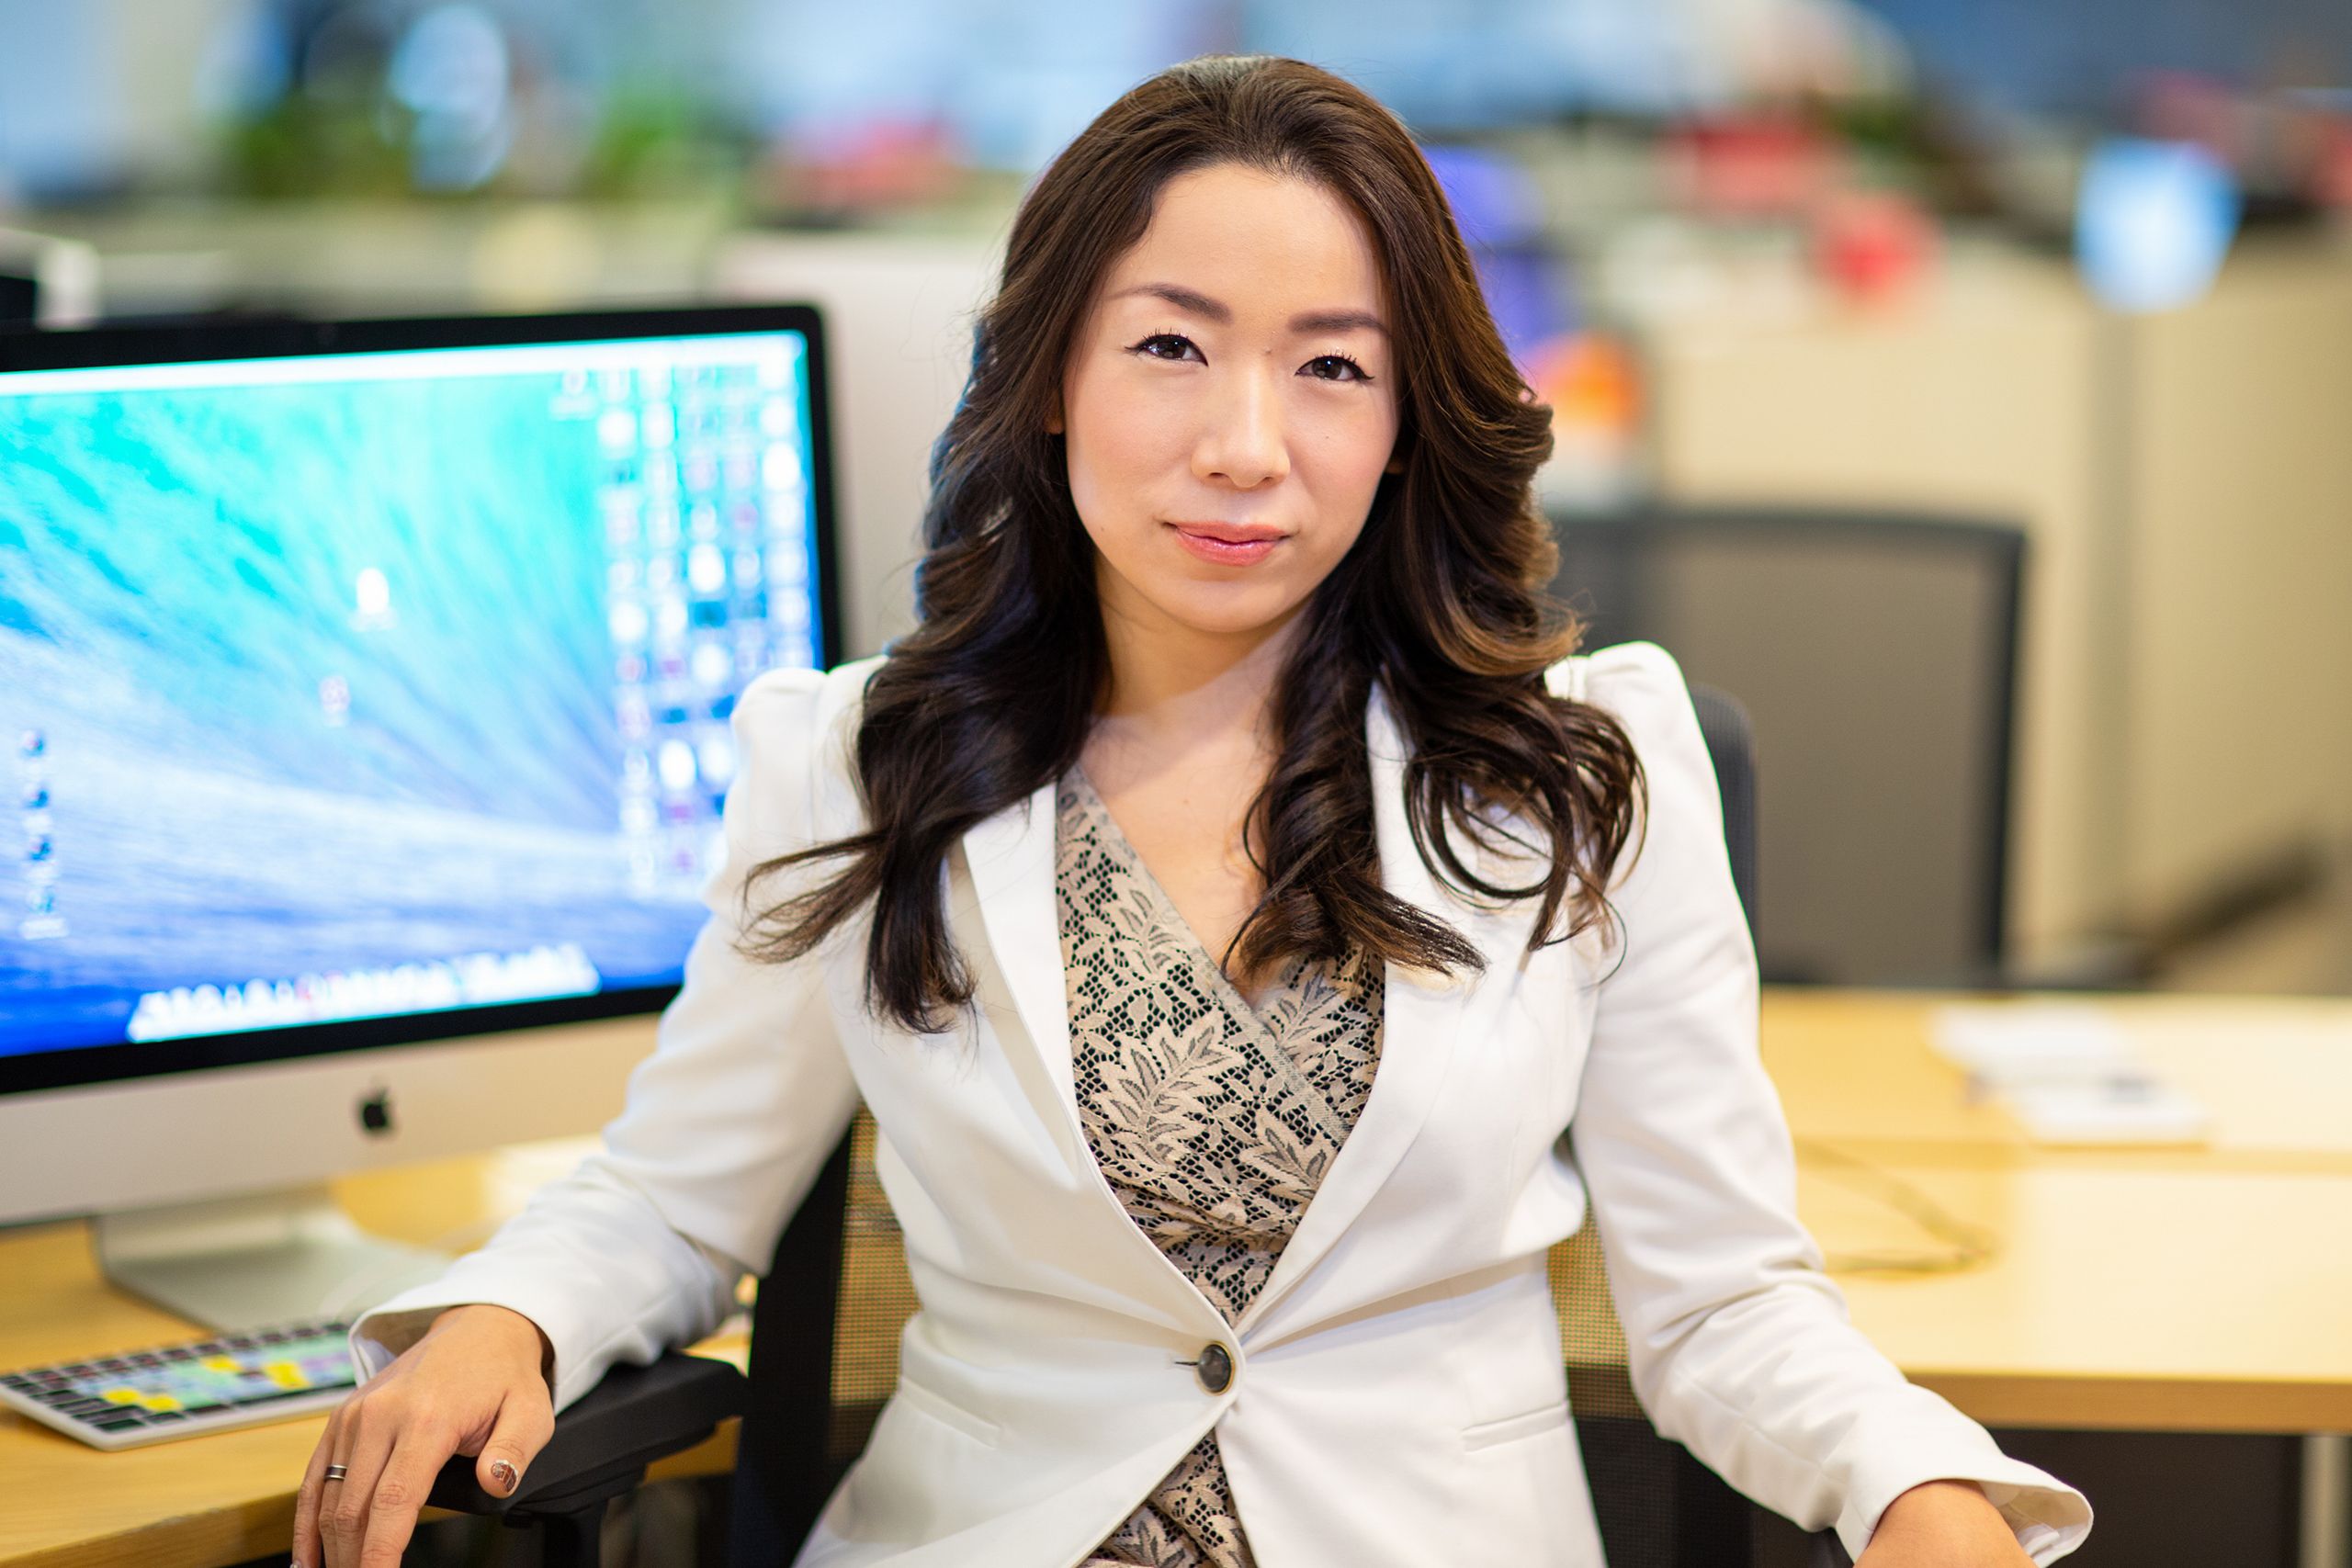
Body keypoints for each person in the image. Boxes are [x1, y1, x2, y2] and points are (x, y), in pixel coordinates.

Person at [295, 53, 2092, 1568]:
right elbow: (676, 1201)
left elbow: (1718, 1302)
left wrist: (1909, 1485)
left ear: (1406, 419)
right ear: (1051, 375)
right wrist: (505, 1313)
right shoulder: (856, 765)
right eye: (1170, 348)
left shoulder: (1582, 774)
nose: (1245, 442)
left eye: (1328, 364)